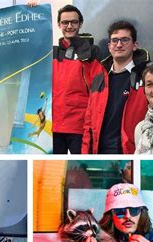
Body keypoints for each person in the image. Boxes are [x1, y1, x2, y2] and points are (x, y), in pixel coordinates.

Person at [82, 21, 149, 154]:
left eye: (125, 40)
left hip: (131, 154)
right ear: (109, 46)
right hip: (99, 154)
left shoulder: (146, 78)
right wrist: (85, 155)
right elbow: (88, 123)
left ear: (135, 45)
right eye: (114, 40)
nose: (119, 44)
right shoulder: (98, 80)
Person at [51, 5, 103, 154]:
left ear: (80, 24)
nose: (69, 26)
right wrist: (33, 11)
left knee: (79, 167)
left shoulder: (92, 51)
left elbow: (98, 89)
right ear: (59, 25)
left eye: (74, 22)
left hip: (79, 126)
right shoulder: (51, 53)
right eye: (65, 22)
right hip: (52, 126)